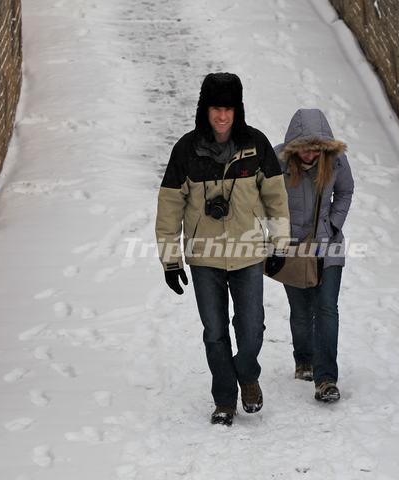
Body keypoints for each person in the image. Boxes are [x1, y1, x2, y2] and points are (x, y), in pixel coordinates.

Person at [155, 73, 290, 426]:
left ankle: (247, 374)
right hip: (204, 257)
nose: (222, 116)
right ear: (205, 109)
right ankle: (225, 400)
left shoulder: (257, 146)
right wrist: (171, 261)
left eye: (228, 108)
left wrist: (279, 244)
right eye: (216, 108)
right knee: (214, 332)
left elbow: (277, 201)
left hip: (248, 254)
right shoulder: (185, 151)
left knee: (252, 328)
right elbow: (169, 208)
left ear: (237, 110)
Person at [270, 108, 354, 403]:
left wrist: (333, 224)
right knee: (302, 310)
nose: (310, 153)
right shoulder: (277, 163)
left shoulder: (336, 161)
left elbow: (346, 192)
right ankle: (303, 359)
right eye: (304, 147)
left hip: (328, 245)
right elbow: (265, 199)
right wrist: (277, 235)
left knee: (327, 308)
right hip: (293, 248)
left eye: (316, 147)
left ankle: (326, 378)